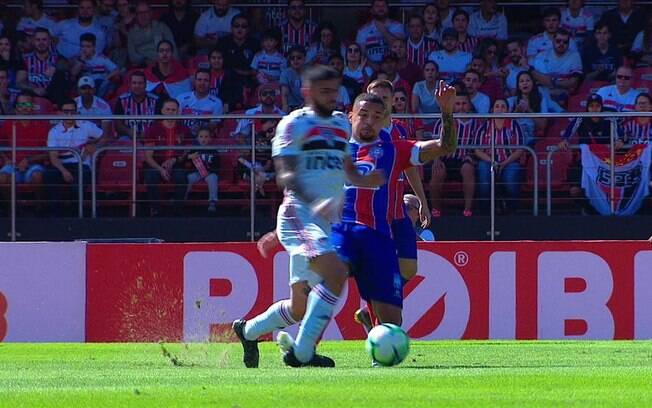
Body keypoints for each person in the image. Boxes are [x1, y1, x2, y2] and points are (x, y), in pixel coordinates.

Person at [231, 66, 386, 369]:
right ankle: (302, 354)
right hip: (300, 215)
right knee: (337, 272)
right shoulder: (294, 124)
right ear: (308, 92)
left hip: (323, 222)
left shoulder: (342, 125)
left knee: (299, 307)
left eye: (335, 91)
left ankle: (247, 331)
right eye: (324, 91)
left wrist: (367, 180)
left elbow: (346, 169)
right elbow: (286, 174)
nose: (332, 96)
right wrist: (316, 203)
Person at [559, 93, 623, 213]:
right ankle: (591, 212)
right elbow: (569, 131)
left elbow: (619, 135)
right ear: (587, 107)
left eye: (597, 106)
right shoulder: (581, 118)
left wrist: (619, 140)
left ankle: (606, 214)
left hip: (605, 163)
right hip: (585, 162)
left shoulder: (609, 118)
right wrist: (564, 140)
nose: (594, 109)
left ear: (601, 107)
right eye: (591, 106)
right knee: (575, 191)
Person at [46, 99, 104, 214]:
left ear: (77, 112)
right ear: (60, 113)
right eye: (66, 111)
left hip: (82, 164)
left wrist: (95, 146)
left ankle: (77, 216)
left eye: (72, 111)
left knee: (79, 182)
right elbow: (53, 157)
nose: (69, 115)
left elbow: (105, 137)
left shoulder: (86, 126)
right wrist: (64, 171)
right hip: (62, 166)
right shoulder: (54, 131)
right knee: (50, 177)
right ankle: (55, 216)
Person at [429, 91, 478, 217]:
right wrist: (436, 160)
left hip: (465, 160)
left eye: (464, 103)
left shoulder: (476, 122)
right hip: (445, 159)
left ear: (469, 105)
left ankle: (467, 210)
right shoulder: (443, 121)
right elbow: (434, 143)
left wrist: (471, 156)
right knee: (437, 170)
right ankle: (436, 210)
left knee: (468, 168)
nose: (461, 106)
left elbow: (479, 145)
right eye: (458, 104)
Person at [142, 98, 192, 216]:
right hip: (156, 165)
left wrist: (174, 160)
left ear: (178, 111)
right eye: (168, 109)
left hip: (176, 164)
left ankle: (177, 210)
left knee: (181, 177)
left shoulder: (184, 129)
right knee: (151, 177)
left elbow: (187, 150)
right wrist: (161, 169)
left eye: (174, 110)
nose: (171, 112)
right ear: (162, 111)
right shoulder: (152, 129)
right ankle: (156, 210)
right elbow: (148, 157)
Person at [0, 93, 50, 211]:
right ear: (16, 107)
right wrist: (6, 159)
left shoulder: (43, 125)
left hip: (34, 165)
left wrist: (28, 160)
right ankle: (14, 210)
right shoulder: (8, 123)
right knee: (2, 177)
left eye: (27, 104)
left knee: (37, 176)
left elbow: (49, 152)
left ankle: (40, 209)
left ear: (32, 106)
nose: (24, 107)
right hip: (12, 165)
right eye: (21, 104)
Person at [474, 98, 525, 214]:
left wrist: (504, 163)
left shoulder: (514, 126)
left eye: (503, 106)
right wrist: (492, 161)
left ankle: (511, 210)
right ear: (492, 109)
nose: (500, 109)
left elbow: (520, 149)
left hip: (509, 162)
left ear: (507, 110)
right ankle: (484, 211)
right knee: (483, 172)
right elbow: (477, 150)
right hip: (488, 161)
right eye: (497, 106)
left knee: (511, 177)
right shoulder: (484, 127)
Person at [532, 29, 582, 102]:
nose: (561, 44)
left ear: (569, 43)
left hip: (565, 97)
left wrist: (551, 82)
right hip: (544, 95)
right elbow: (536, 78)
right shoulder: (541, 56)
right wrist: (560, 84)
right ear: (553, 40)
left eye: (565, 42)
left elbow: (573, 83)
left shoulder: (575, 56)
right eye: (558, 41)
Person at [355, 0, 405, 69]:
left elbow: (399, 48)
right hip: (371, 70)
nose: (380, 8)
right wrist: (373, 66)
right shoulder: (363, 30)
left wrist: (384, 31)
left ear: (388, 9)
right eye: (377, 6)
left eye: (383, 6)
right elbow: (360, 54)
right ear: (372, 10)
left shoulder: (397, 26)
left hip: (394, 68)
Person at [127, 1, 176, 67]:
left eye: (145, 12)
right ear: (136, 16)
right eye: (139, 13)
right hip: (143, 66)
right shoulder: (132, 33)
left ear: (151, 13)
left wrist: (175, 64)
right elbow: (132, 55)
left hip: (164, 63)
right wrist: (145, 61)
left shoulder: (162, 27)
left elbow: (172, 47)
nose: (143, 16)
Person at [113, 71, 159, 140]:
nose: (137, 86)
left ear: (146, 85)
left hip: (150, 137)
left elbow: (160, 122)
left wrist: (149, 131)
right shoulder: (121, 100)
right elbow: (117, 124)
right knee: (123, 139)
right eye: (134, 83)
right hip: (128, 137)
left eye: (140, 83)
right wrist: (128, 131)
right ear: (130, 85)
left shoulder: (156, 100)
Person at [70, 33, 119, 97]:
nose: (84, 49)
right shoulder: (78, 58)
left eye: (88, 46)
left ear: (94, 47)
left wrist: (106, 78)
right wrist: (82, 60)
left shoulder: (101, 58)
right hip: (84, 83)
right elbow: (73, 73)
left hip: (99, 84)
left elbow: (116, 69)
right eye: (82, 46)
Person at [177, 69, 224, 136]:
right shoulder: (181, 98)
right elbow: (176, 121)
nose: (202, 83)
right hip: (183, 137)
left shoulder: (217, 103)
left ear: (210, 83)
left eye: (205, 80)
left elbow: (214, 125)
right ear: (194, 82)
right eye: (199, 80)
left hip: (203, 140)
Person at [186, 127, 219, 213]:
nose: (203, 139)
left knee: (213, 178)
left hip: (210, 173)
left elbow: (217, 166)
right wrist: (189, 156)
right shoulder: (193, 150)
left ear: (210, 138)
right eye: (201, 136)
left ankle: (212, 202)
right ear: (197, 138)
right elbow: (186, 161)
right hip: (197, 172)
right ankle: (183, 198)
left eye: (206, 137)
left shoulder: (214, 151)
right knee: (189, 177)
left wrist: (209, 171)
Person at [411, 61, 441, 129]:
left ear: (437, 73)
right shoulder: (418, 86)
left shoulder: (441, 85)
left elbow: (443, 107)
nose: (430, 72)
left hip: (439, 122)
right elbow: (414, 109)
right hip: (421, 122)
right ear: (423, 73)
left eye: (433, 70)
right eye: (427, 70)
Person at [280, 46, 306, 112]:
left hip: (307, 107)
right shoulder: (285, 73)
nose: (295, 60)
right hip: (291, 107)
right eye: (292, 58)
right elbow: (285, 94)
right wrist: (285, 106)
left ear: (304, 58)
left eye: (299, 57)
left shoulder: (311, 73)